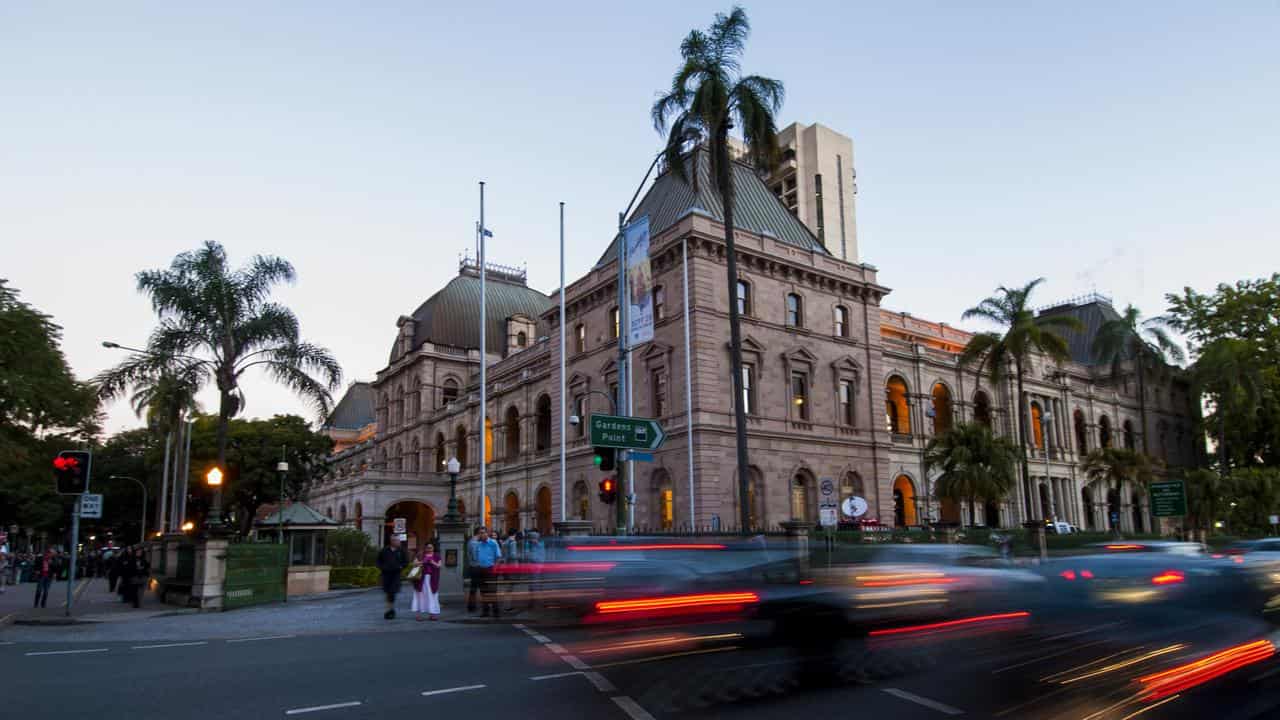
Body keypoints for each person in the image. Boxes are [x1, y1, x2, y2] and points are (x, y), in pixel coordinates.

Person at [470, 527, 501, 618]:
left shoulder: (493, 543)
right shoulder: (478, 544)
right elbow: (475, 556)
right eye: (480, 533)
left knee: (492, 591)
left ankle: (496, 611)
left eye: (483, 533)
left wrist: (495, 568)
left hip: (491, 569)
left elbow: (498, 557)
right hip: (480, 569)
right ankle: (485, 611)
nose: (481, 535)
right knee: (483, 592)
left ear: (487, 533)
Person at [376, 535, 408, 620]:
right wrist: (382, 567)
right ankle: (390, 609)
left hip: (396, 575)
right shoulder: (384, 550)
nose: (398, 542)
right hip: (386, 574)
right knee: (388, 592)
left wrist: (401, 567)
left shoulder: (401, 551)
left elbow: (406, 562)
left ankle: (389, 610)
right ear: (392, 541)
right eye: (396, 541)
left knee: (392, 592)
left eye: (398, 540)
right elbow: (378, 561)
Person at [410, 542, 442, 621]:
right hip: (421, 579)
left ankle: (432, 614)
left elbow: (439, 565)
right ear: (425, 548)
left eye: (431, 547)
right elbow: (414, 564)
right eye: (428, 547)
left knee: (432, 596)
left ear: (434, 548)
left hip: (432, 579)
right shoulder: (421, 555)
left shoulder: (437, 556)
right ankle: (418, 615)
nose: (429, 549)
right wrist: (422, 562)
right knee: (420, 595)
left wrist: (432, 562)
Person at [466, 527, 483, 613]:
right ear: (478, 533)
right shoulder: (474, 543)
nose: (483, 535)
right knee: (476, 588)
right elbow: (475, 556)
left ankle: (472, 606)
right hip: (476, 567)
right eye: (482, 533)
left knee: (474, 588)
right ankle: (472, 606)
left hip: (473, 567)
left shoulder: (471, 542)